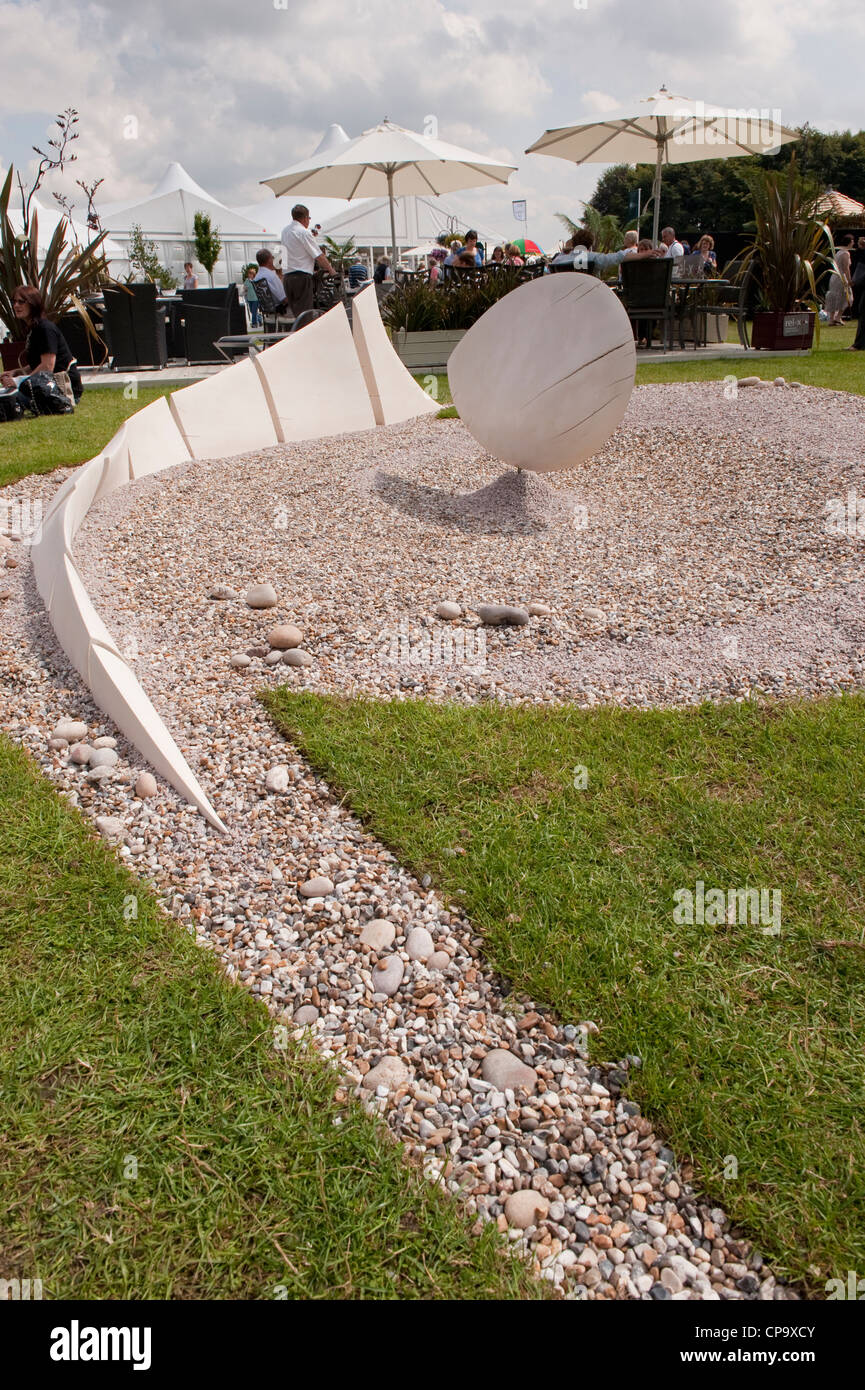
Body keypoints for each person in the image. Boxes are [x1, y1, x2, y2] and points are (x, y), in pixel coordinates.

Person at [0, 285, 83, 405]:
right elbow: (39, 363)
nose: (16, 305)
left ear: (33, 304)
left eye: (21, 302)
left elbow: (47, 366)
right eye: (14, 302)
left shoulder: (45, 329)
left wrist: (18, 382)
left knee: (8, 401)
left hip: (61, 390)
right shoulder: (35, 329)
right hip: (46, 386)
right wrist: (16, 372)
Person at [279, 203, 334, 316]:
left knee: (297, 315)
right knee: (305, 315)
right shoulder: (304, 232)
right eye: (308, 218)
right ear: (305, 218)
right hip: (301, 277)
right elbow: (319, 255)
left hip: (288, 278)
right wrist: (331, 270)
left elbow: (283, 255)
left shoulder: (285, 232)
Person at [825, 235, 854, 325]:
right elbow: (846, 269)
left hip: (834, 276)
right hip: (841, 277)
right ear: (850, 242)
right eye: (852, 241)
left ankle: (832, 319)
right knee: (847, 297)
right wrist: (849, 280)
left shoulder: (839, 253)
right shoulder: (845, 253)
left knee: (835, 297)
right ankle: (837, 318)